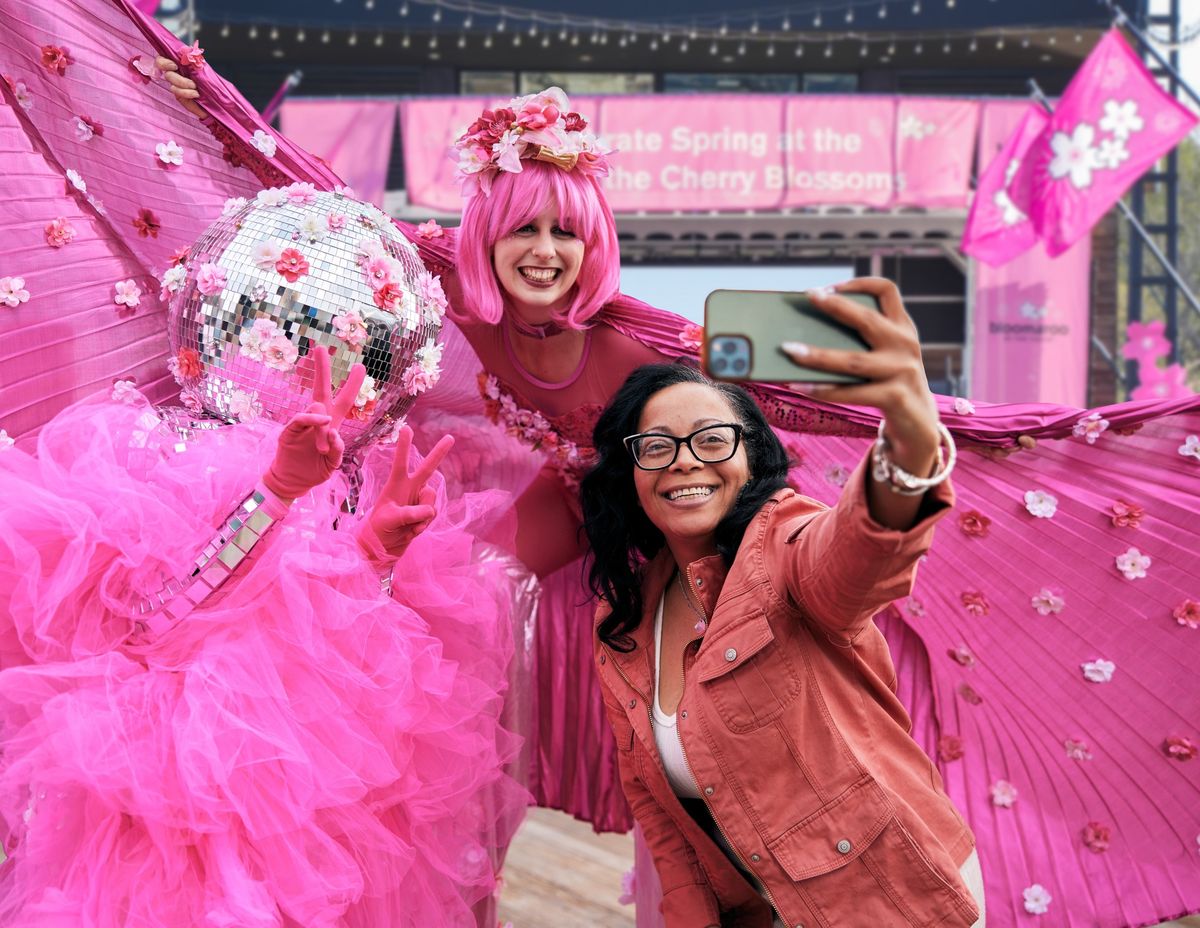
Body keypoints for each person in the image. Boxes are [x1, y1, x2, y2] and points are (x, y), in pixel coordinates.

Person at [4, 11, 1196, 921]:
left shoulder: (654, 343)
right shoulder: (416, 284)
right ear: (482, 233)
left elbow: (774, 398)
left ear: (598, 241)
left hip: (603, 558)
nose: (543, 250)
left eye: (566, 230)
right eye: (521, 226)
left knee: (726, 730)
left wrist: (910, 406)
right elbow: (292, 223)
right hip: (427, 562)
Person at [0, 334, 527, 926]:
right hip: (174, 778)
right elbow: (155, 621)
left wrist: (373, 559)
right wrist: (274, 492)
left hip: (308, 787)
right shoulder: (175, 451)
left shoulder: (359, 481)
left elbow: (345, 657)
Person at [581, 281, 985, 927]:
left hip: (897, 898)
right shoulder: (621, 624)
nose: (684, 463)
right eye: (655, 447)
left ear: (752, 457)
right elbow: (657, 809)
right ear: (629, 474)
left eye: (713, 440)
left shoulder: (787, 541)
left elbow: (860, 554)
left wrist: (908, 434)